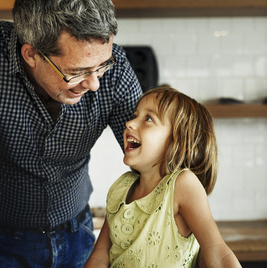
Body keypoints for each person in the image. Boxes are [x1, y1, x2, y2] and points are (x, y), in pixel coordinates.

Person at [0, 0, 142, 267]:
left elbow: (156, 161)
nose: (94, 83)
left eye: (101, 65)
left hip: (79, 232)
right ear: (31, 54)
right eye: (77, 72)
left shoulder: (114, 68)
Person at [84, 85, 242, 268]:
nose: (130, 123)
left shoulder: (183, 185)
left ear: (178, 140)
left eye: (148, 118)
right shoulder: (121, 188)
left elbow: (218, 252)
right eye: (135, 115)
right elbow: (100, 254)